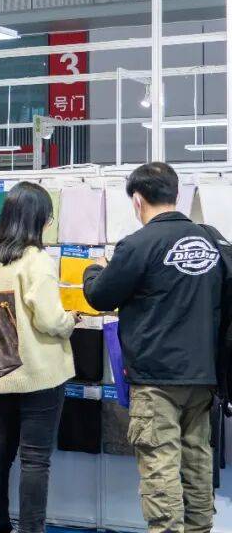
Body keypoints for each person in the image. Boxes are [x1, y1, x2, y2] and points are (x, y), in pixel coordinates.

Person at [84, 162, 223, 533]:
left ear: (137, 200)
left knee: (160, 468)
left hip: (156, 377)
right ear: (176, 195)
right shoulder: (213, 241)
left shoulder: (138, 244)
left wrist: (94, 269)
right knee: (197, 463)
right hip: (203, 375)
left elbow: (100, 297)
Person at [0, 182, 77, 533]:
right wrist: (70, 320)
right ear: (38, 218)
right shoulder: (37, 261)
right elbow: (49, 320)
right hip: (38, 370)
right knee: (35, 458)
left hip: (0, 369)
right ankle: (31, 528)